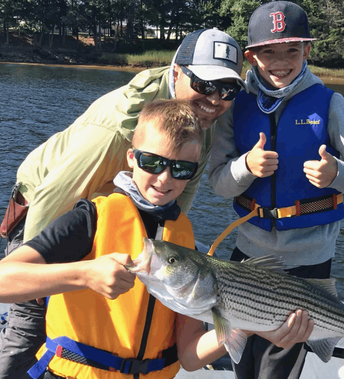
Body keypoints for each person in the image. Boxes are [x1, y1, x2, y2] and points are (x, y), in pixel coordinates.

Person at [0, 100, 313, 379]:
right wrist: (84, 274)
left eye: (181, 169)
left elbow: (190, 356)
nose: (165, 179)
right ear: (132, 158)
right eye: (153, 162)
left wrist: (251, 323)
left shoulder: (182, 239)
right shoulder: (90, 218)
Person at [0, 28, 245, 378]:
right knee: (29, 326)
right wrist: (54, 281)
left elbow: (175, 215)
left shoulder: (200, 129)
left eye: (228, 89)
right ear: (176, 72)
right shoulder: (119, 124)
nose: (216, 98)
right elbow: (55, 195)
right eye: (205, 84)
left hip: (128, 224)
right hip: (53, 211)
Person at [208, 2, 344, 379]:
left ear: (308, 50)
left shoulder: (331, 104)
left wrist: (337, 173)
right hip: (248, 254)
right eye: (269, 51)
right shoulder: (234, 106)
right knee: (242, 354)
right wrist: (245, 167)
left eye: (292, 49)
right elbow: (219, 183)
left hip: (309, 261)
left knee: (279, 363)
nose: (281, 61)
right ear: (252, 56)